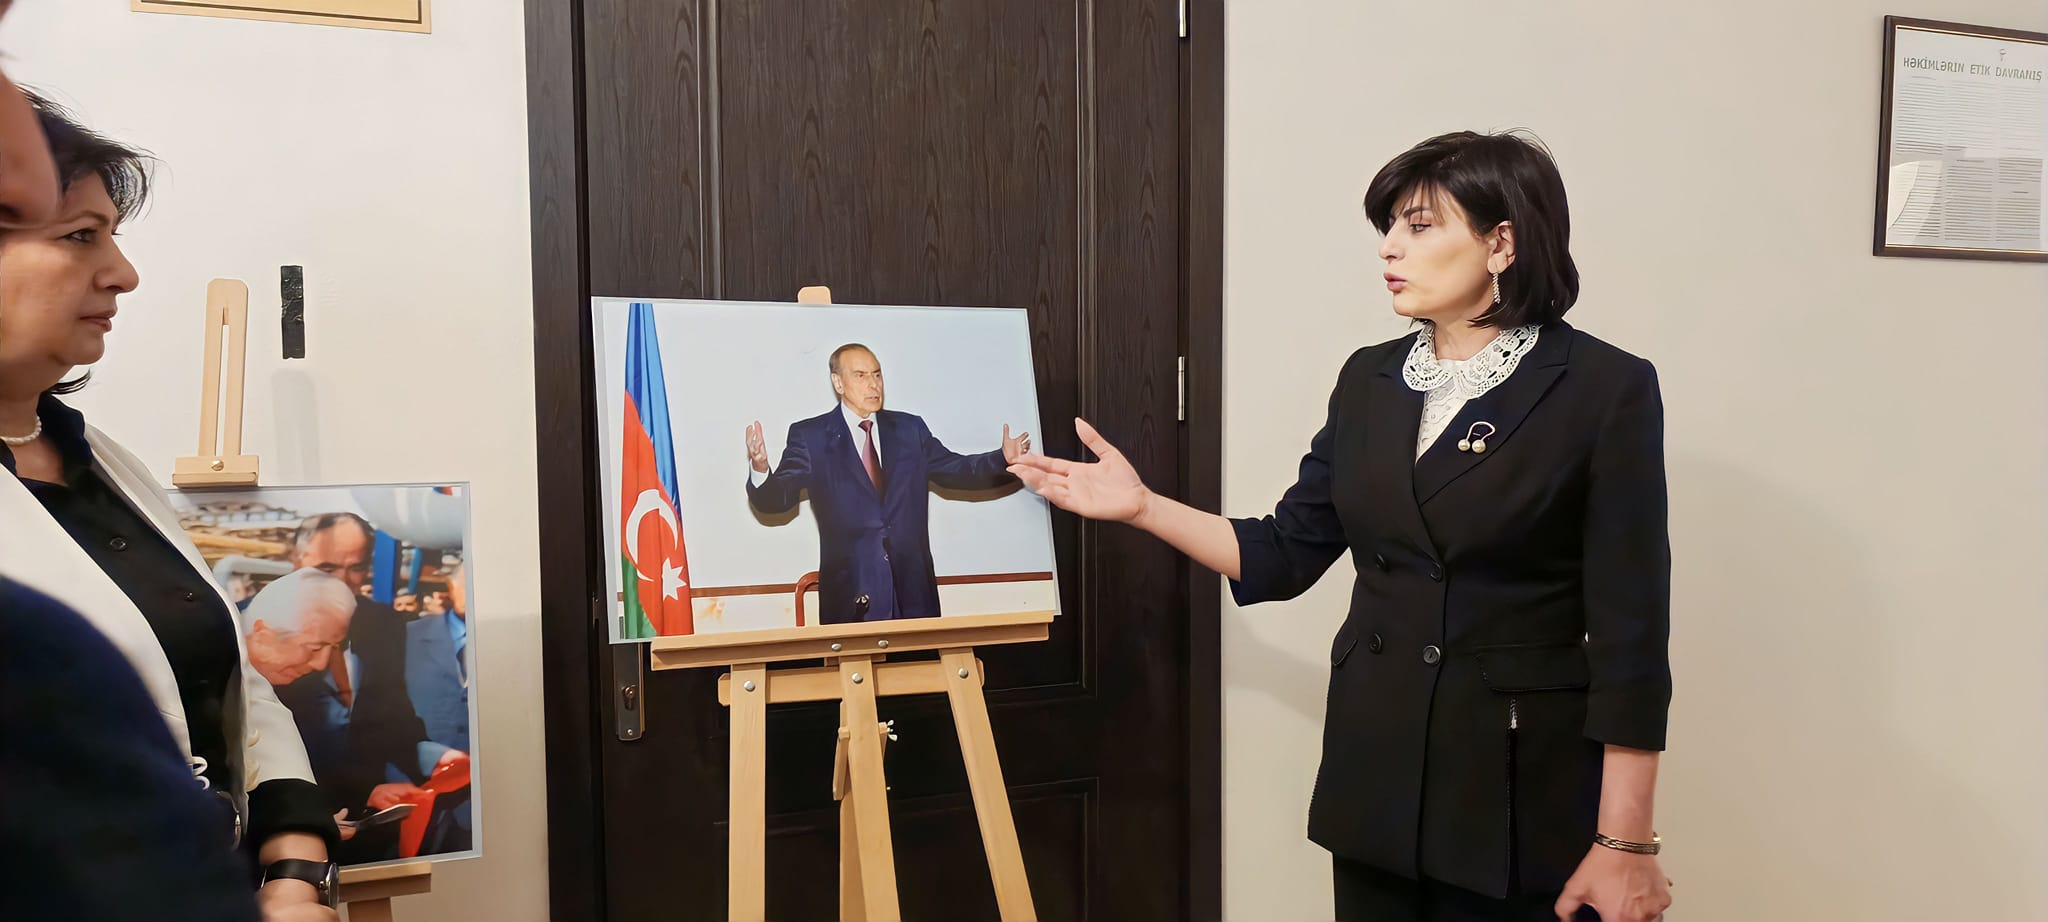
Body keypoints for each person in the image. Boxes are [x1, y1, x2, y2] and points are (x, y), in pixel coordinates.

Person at [1009, 131, 1674, 922]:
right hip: (1375, 781)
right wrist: (1143, 505)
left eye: (1419, 226)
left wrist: (1625, 841)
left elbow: (1633, 638)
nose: (1390, 247)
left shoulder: (1602, 387)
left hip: (1514, 792)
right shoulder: (1370, 378)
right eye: (1389, 227)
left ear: (1502, 243)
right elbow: (1285, 552)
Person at [0, 95, 341, 918]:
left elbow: (229, 685)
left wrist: (294, 869)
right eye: (80, 235)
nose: (123, 273)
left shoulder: (100, 460)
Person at [744, 342, 1031, 622]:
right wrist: (760, 468)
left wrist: (1002, 459)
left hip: (914, 598)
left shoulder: (910, 429)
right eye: (860, 375)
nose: (873, 385)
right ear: (838, 382)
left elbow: (958, 469)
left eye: (877, 374)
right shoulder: (811, 436)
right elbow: (778, 499)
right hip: (852, 601)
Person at [274, 512, 463, 863]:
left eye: (356, 568)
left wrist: (432, 756)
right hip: (290, 829)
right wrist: (359, 791)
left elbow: (394, 715)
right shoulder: (250, 625)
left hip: (374, 829)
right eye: (327, 568)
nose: (341, 582)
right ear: (294, 560)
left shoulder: (384, 624)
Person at [405, 560, 473, 851]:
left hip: (487, 800)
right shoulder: (405, 637)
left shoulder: (517, 640)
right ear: (451, 587)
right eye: (469, 583)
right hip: (416, 791)